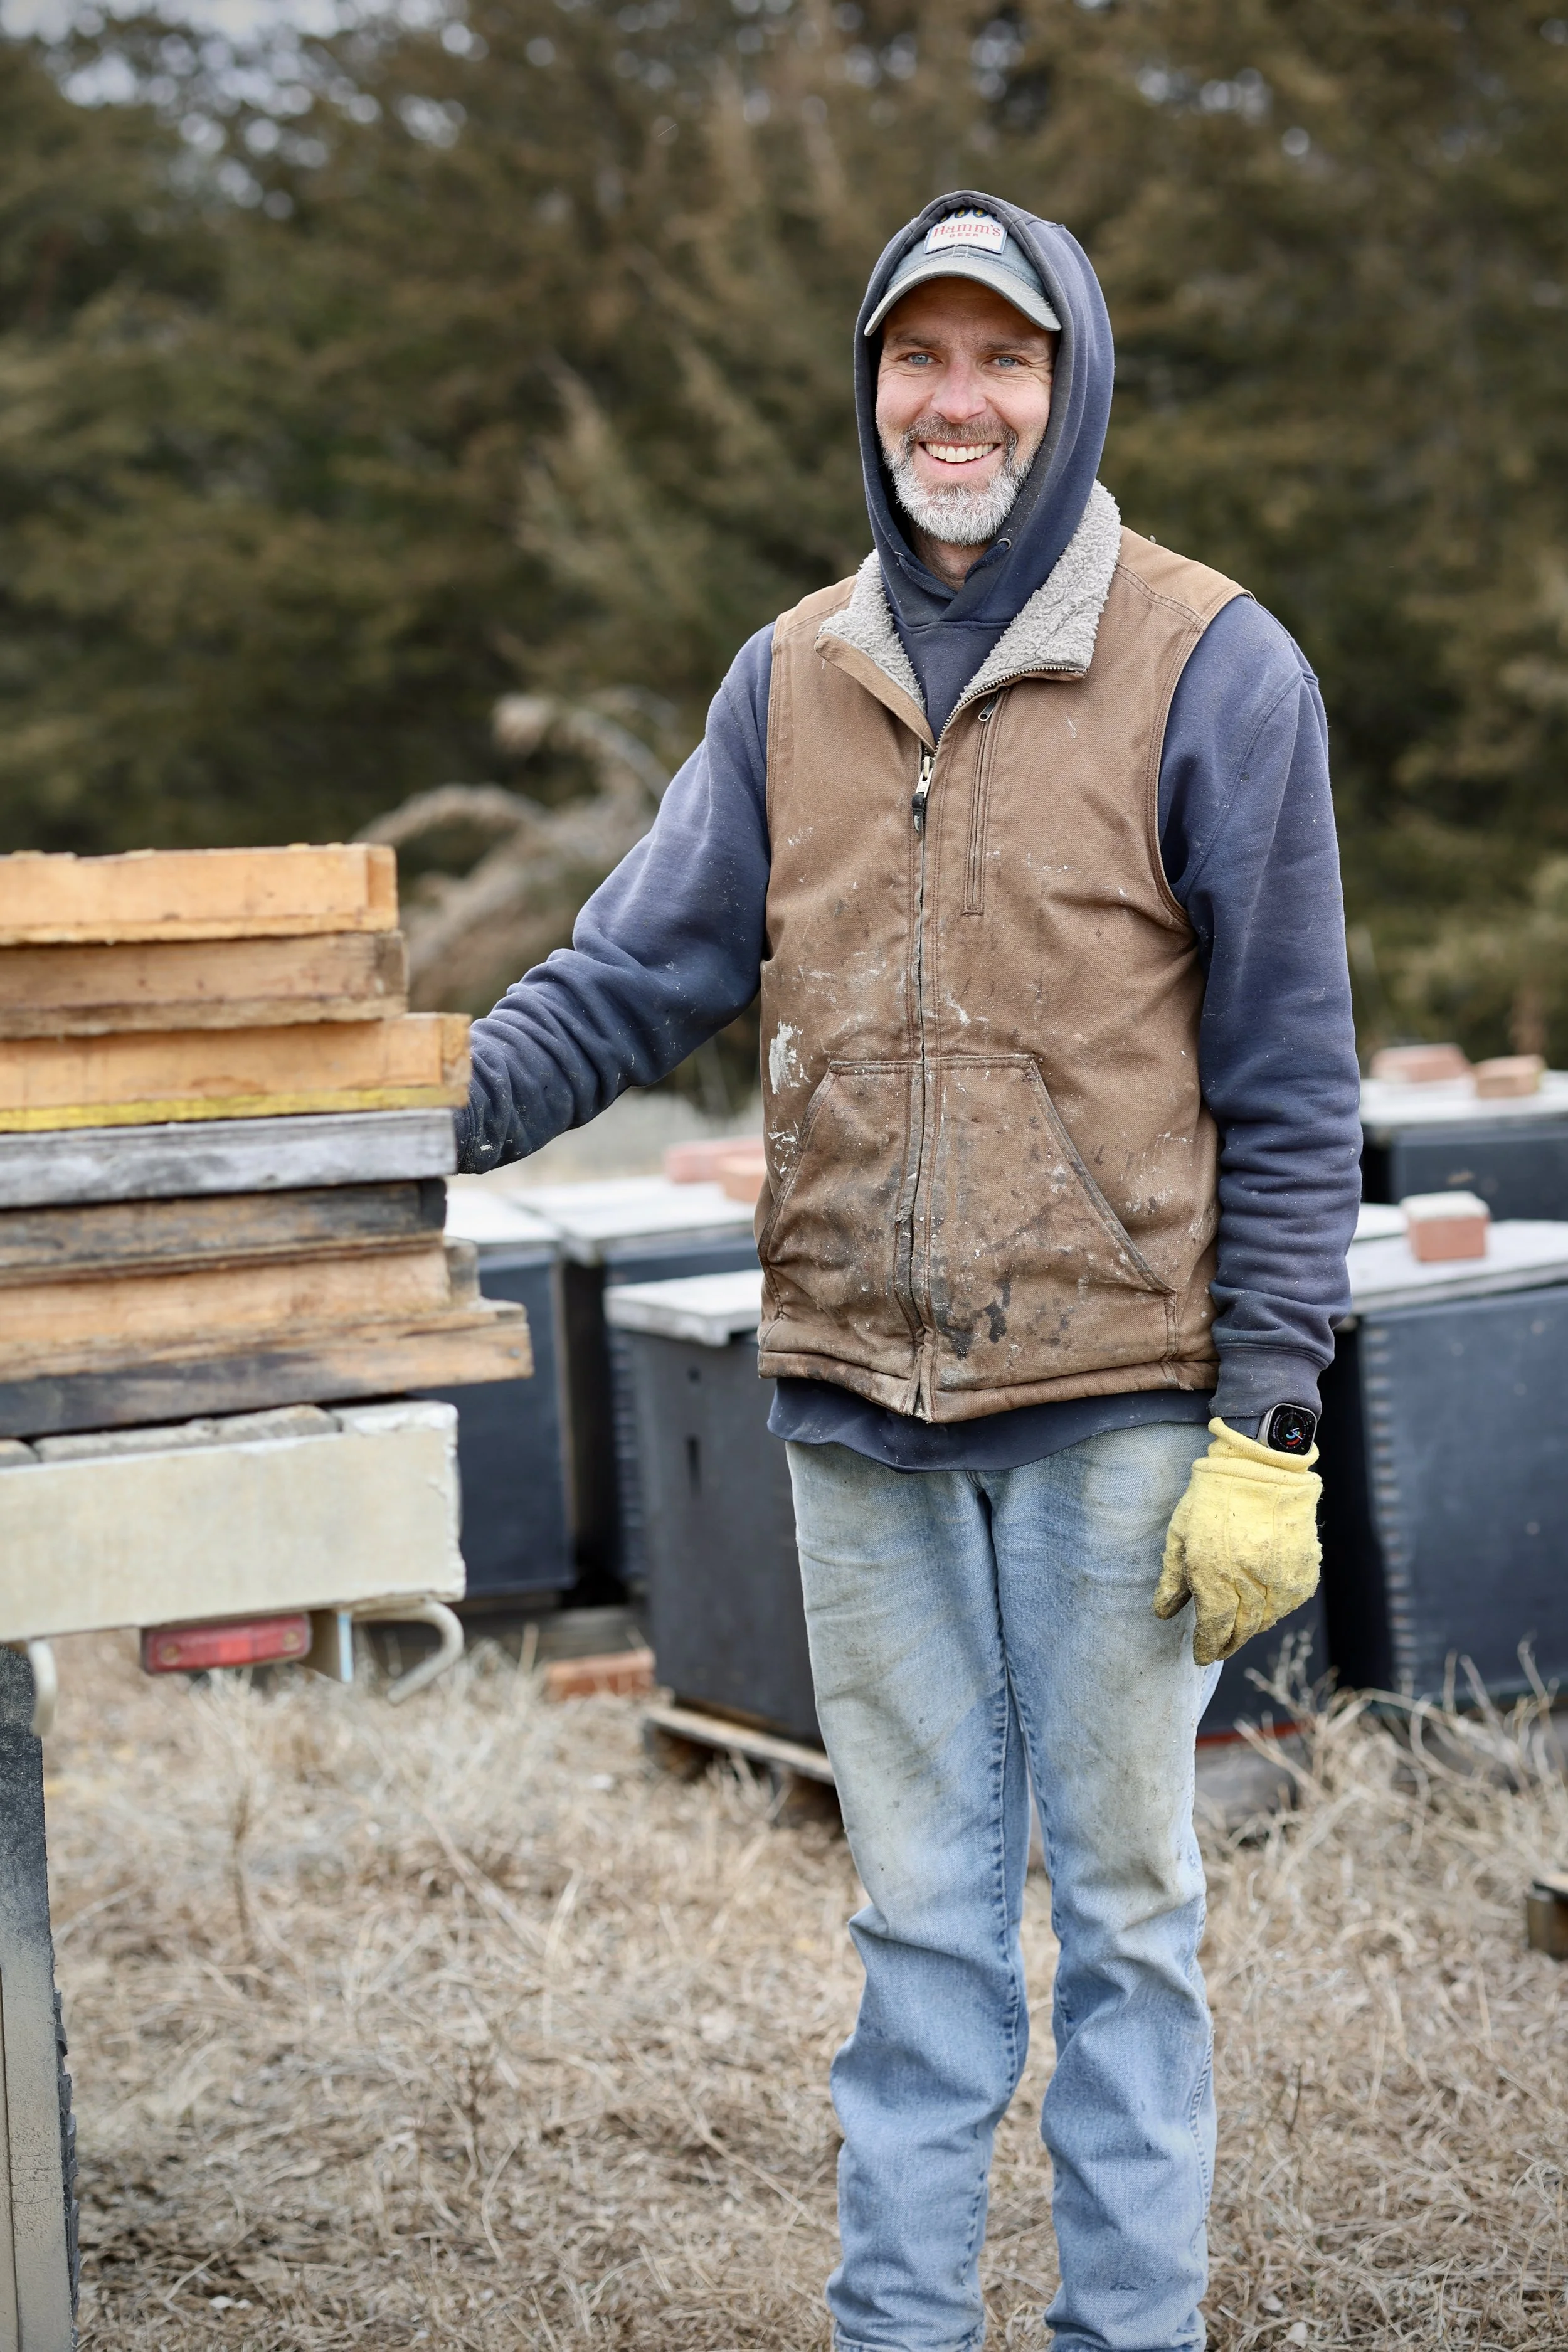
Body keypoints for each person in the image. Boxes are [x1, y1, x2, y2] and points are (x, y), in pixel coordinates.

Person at [460, 192, 1361, 2352]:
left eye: (1001, 362)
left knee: (1126, 1923)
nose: (955, 403)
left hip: (1121, 1414)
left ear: (1068, 390)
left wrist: (1267, 1415)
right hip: (856, 1412)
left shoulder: (1209, 664)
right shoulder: (795, 678)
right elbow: (626, 976)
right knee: (921, 1930)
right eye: (916, 360)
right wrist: (395, 1121)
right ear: (870, 392)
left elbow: (1294, 1076)